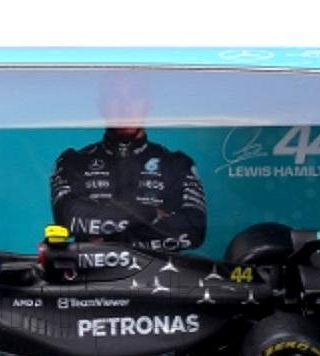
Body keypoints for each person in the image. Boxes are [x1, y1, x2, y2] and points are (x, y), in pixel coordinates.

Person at [50, 74, 206, 253]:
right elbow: (68, 217)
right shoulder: (74, 161)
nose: (125, 108)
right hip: (92, 271)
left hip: (157, 271)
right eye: (115, 97)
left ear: (148, 104)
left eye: (135, 96)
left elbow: (193, 229)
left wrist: (113, 238)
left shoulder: (177, 164)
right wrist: (150, 213)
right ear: (101, 105)